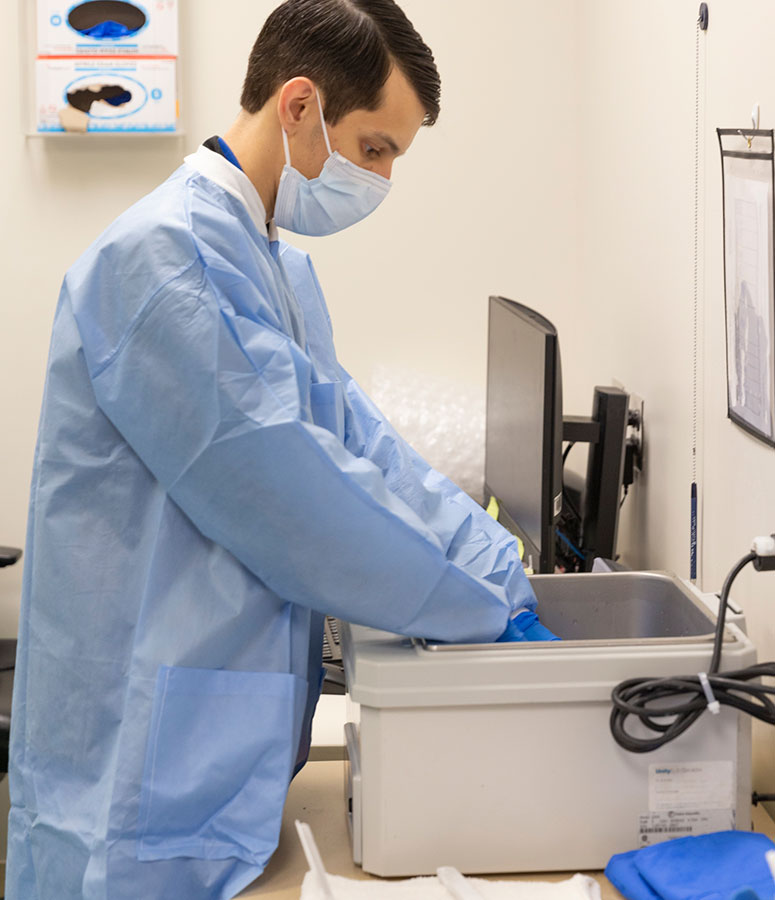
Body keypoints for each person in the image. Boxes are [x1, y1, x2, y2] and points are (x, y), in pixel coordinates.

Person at [7, 2, 549, 898]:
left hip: (205, 757)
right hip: (133, 773)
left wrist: (488, 560)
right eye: (375, 149)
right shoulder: (164, 260)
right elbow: (296, 494)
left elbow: (360, 445)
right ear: (298, 106)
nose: (378, 179)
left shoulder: (268, 263)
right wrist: (476, 606)